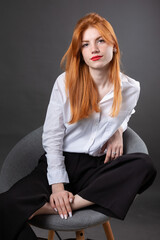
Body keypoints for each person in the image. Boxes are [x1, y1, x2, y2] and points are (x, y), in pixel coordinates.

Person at [0, 13, 156, 240]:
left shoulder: (130, 88)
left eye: (100, 40)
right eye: (86, 44)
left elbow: (126, 113)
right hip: (61, 162)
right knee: (6, 205)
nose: (94, 48)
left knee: (144, 165)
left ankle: (73, 204)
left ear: (113, 45)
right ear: (80, 52)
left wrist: (118, 131)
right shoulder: (65, 82)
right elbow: (52, 136)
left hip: (98, 167)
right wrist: (58, 187)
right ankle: (68, 201)